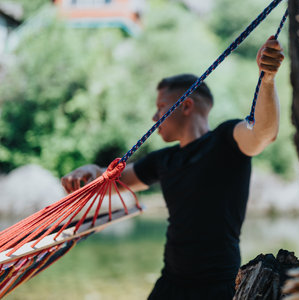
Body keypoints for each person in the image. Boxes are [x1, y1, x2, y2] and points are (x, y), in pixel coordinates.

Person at [61, 36, 284, 300]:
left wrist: (267, 79)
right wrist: (90, 171)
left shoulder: (226, 141)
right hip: (170, 284)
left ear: (186, 106)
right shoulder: (163, 160)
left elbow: (263, 133)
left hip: (217, 286)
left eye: (160, 107)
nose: (154, 117)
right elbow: (114, 182)